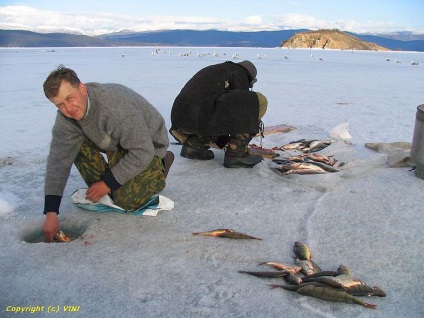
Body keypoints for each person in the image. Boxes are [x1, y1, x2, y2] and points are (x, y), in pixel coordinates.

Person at [42, 65, 174, 242]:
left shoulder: (114, 107)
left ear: (82, 88)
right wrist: (51, 212)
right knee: (76, 151)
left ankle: (161, 166)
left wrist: (107, 183)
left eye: (70, 98)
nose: (68, 108)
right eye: (60, 105)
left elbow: (142, 150)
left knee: (127, 201)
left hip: (148, 146)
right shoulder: (66, 117)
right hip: (115, 143)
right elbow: (59, 159)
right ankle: (114, 178)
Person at [169, 60, 268, 168]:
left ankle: (195, 145)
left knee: (213, 108)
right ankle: (236, 153)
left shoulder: (220, 69)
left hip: (181, 116)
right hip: (200, 112)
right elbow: (242, 111)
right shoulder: (240, 73)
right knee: (258, 101)